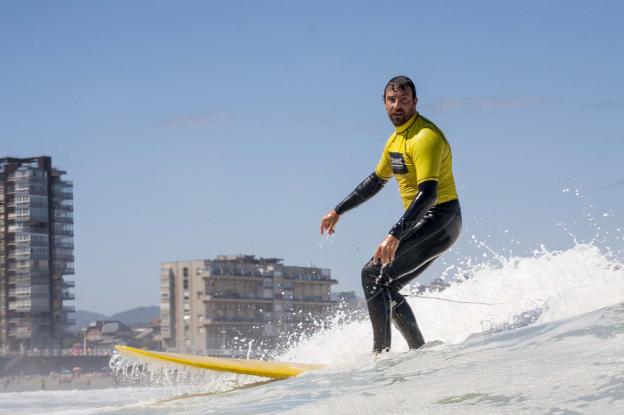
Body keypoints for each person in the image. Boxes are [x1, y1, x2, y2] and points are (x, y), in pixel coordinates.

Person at [320, 75, 462, 353]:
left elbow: (429, 193)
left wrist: (395, 235)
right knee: (386, 285)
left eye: (404, 100)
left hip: (441, 218)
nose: (397, 105)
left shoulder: (425, 137)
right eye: (391, 100)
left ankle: (380, 355)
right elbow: (376, 180)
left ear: (415, 102)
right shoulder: (395, 141)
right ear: (384, 103)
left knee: (372, 274)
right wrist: (339, 210)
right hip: (424, 221)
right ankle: (418, 352)